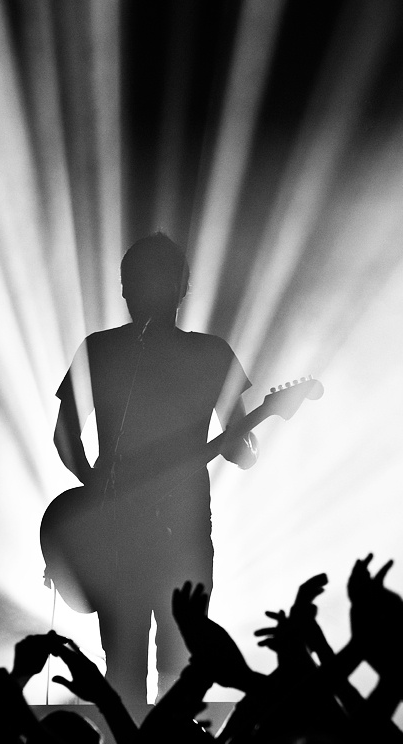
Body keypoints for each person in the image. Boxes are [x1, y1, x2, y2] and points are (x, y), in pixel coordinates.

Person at [46, 232, 258, 704]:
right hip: (176, 530)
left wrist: (97, 489)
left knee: (135, 666)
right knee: (175, 665)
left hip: (143, 529)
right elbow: (240, 450)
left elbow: (64, 435)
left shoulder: (101, 349)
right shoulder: (209, 353)